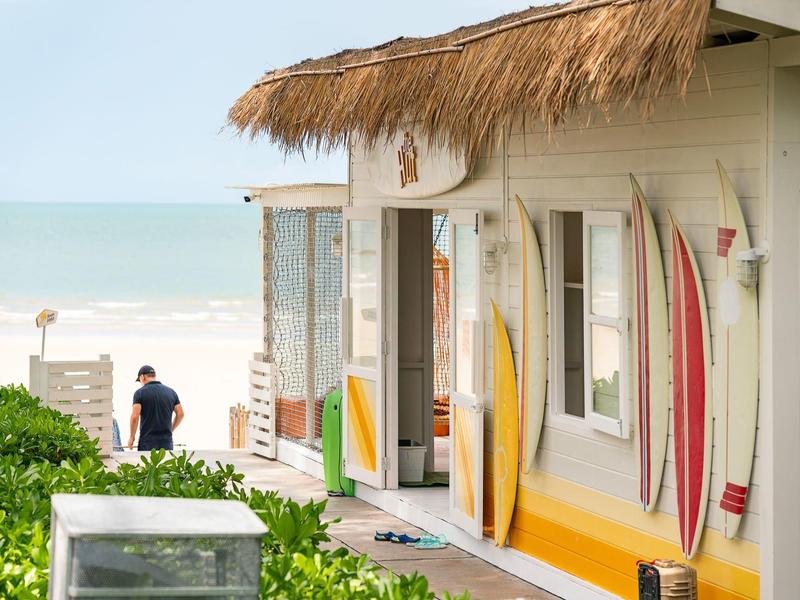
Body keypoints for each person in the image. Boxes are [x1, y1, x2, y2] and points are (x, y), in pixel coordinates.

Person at [128, 365, 184, 451]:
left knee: (148, 460)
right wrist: (170, 429)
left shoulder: (139, 393)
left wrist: (132, 437)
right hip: (166, 442)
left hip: (147, 442)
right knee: (165, 460)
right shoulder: (171, 392)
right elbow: (180, 414)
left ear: (142, 377)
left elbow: (135, 417)